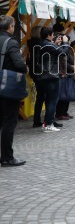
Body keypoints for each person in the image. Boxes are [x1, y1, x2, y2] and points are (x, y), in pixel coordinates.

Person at [0, 15, 28, 166]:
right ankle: (6, 157)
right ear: (10, 27)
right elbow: (19, 64)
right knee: (9, 122)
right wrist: (25, 68)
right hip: (7, 88)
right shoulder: (11, 42)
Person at [36, 27, 66, 132]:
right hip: (51, 75)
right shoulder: (49, 44)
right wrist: (65, 43)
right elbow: (63, 53)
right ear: (49, 35)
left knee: (49, 100)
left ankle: (47, 122)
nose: (53, 36)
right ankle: (48, 124)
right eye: (52, 34)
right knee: (53, 100)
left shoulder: (41, 43)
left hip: (44, 75)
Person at [55, 34, 75, 120]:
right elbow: (62, 60)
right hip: (64, 73)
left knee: (67, 94)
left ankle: (64, 112)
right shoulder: (60, 48)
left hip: (68, 72)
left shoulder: (67, 48)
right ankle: (60, 113)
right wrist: (70, 66)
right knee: (63, 95)